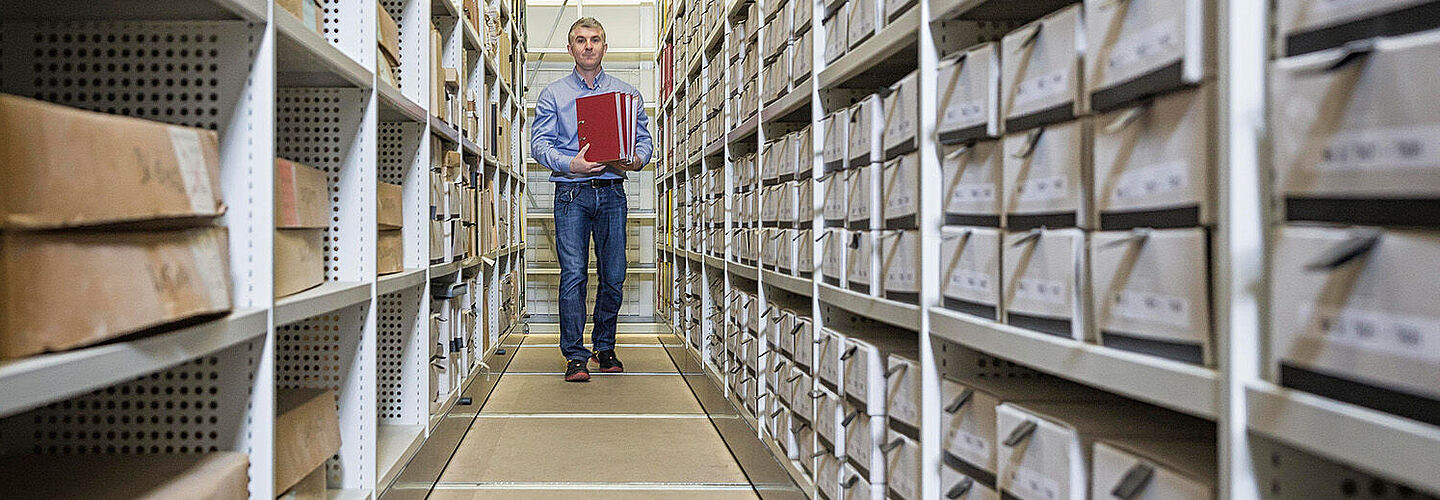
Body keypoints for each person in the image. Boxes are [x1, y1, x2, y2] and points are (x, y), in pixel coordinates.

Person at [530, 17, 652, 382]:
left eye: (595, 40)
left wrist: (635, 159)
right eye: (580, 40)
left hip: (613, 191)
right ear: (570, 48)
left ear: (604, 46)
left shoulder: (627, 94)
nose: (588, 46)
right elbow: (538, 145)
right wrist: (572, 163)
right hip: (571, 193)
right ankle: (575, 356)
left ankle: (604, 346)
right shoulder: (554, 94)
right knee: (573, 275)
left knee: (614, 274)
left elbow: (644, 142)